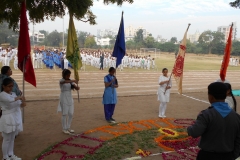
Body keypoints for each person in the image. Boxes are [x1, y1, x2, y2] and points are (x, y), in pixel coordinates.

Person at [187, 82, 240, 160]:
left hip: (208, 155)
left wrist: (189, 128)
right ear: (225, 95)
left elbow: (194, 132)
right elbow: (238, 140)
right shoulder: (236, 116)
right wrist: (233, 155)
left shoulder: (206, 114)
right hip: (227, 155)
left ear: (211, 97)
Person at [0, 78, 26, 160]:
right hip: (7, 118)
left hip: (15, 117)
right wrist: (19, 98)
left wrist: (23, 102)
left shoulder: (14, 94)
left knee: (12, 138)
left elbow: (18, 104)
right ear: (3, 86)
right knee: (7, 139)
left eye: (12, 86)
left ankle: (11, 154)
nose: (10, 88)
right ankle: (5, 157)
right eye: (8, 86)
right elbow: (9, 100)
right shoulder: (2, 95)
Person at [57, 69, 79, 134]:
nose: (68, 76)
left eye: (69, 75)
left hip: (69, 97)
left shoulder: (70, 81)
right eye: (67, 75)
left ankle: (68, 127)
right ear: (64, 75)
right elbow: (64, 82)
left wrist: (77, 86)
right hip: (63, 97)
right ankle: (64, 128)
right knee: (64, 114)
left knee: (71, 113)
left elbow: (75, 87)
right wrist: (73, 80)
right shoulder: (62, 80)